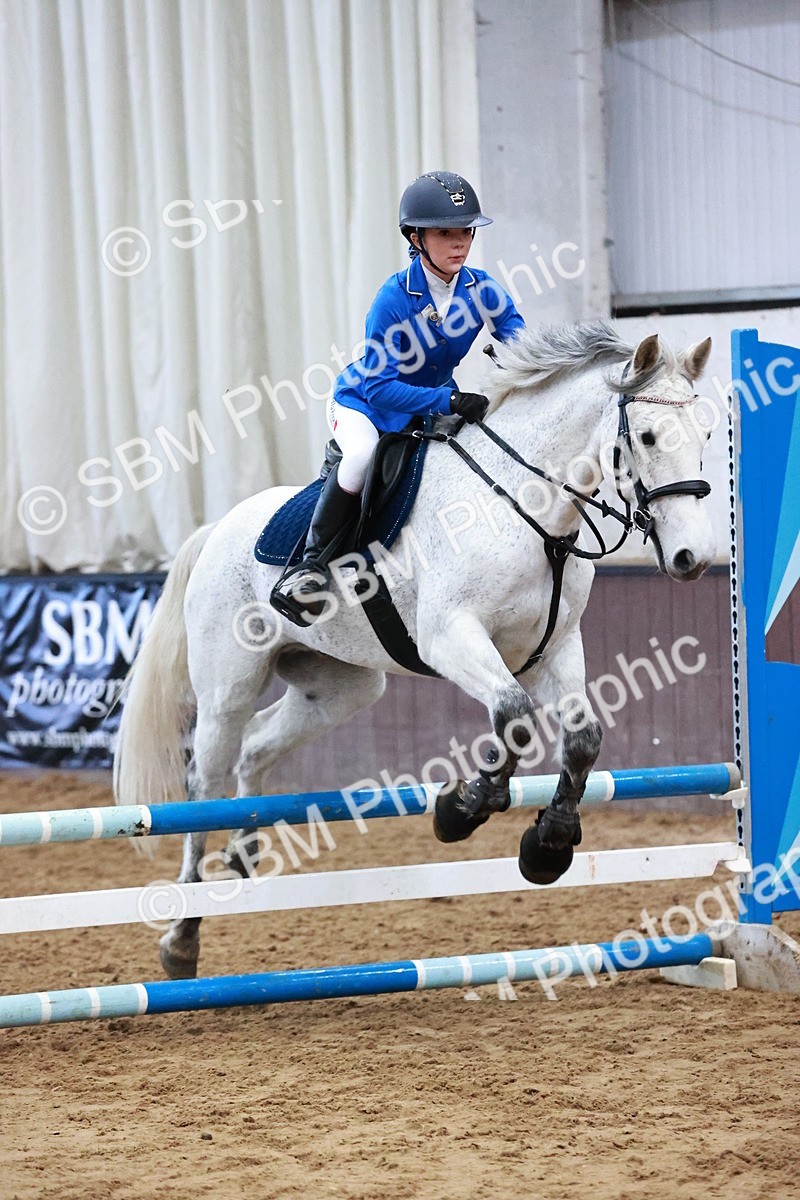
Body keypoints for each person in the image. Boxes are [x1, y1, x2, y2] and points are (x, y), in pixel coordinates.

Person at [273, 170, 526, 624]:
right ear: (416, 236)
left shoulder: (482, 288)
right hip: (364, 403)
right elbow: (379, 386)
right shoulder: (392, 298)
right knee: (362, 455)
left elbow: (520, 342)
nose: (460, 243)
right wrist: (448, 403)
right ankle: (309, 566)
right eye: (446, 232)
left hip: (429, 401)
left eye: (466, 231)